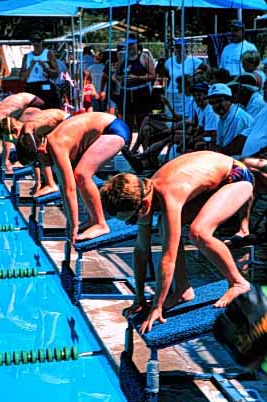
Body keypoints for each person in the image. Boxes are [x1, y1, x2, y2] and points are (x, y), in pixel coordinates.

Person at [100, 151, 253, 334]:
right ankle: (182, 290)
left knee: (199, 232)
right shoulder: (145, 191)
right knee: (165, 229)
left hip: (237, 178)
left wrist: (157, 306)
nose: (131, 223)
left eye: (131, 219)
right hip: (214, 182)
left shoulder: (169, 194)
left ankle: (238, 283)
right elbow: (141, 250)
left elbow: (168, 258)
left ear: (145, 206)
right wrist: (139, 297)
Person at [16, 112, 130, 243]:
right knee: (79, 174)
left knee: (82, 174)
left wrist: (74, 227)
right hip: (106, 130)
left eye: (38, 163)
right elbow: (65, 190)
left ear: (40, 151)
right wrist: (70, 223)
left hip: (113, 130)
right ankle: (93, 220)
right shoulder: (50, 145)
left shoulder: (55, 145)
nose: (41, 167)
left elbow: (70, 190)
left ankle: (100, 223)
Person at [0, 92, 44, 172]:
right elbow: (1, 133)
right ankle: (31, 161)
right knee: (18, 130)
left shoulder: (2, 114)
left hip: (35, 103)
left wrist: (5, 160)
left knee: (21, 134)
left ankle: (28, 161)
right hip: (32, 100)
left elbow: (6, 141)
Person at [115, 35, 155, 131]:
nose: (130, 47)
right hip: (126, 93)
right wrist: (122, 78)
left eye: (132, 44)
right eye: (128, 45)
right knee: (126, 121)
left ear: (137, 45)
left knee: (142, 121)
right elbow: (116, 75)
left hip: (141, 93)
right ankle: (127, 144)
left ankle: (144, 143)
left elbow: (152, 76)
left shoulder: (144, 57)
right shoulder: (122, 58)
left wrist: (137, 78)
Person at [164, 38, 208, 116]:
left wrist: (198, 78)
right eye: (177, 47)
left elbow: (207, 68)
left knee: (185, 115)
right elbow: (167, 75)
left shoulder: (193, 60)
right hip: (172, 93)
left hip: (186, 94)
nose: (179, 49)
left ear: (186, 48)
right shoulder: (169, 61)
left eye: (181, 47)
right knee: (170, 115)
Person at [208, 83, 253, 155]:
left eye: (219, 101)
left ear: (229, 100)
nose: (216, 105)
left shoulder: (237, 118)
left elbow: (231, 150)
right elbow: (219, 144)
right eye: (212, 102)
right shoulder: (223, 116)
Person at [20, 32, 59, 109]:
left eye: (38, 40)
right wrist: (31, 66)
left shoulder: (48, 54)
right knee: (32, 111)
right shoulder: (27, 56)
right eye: (33, 41)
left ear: (42, 41)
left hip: (45, 84)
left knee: (49, 109)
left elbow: (56, 74)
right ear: (31, 42)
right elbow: (22, 78)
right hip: (31, 86)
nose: (36, 43)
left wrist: (45, 68)